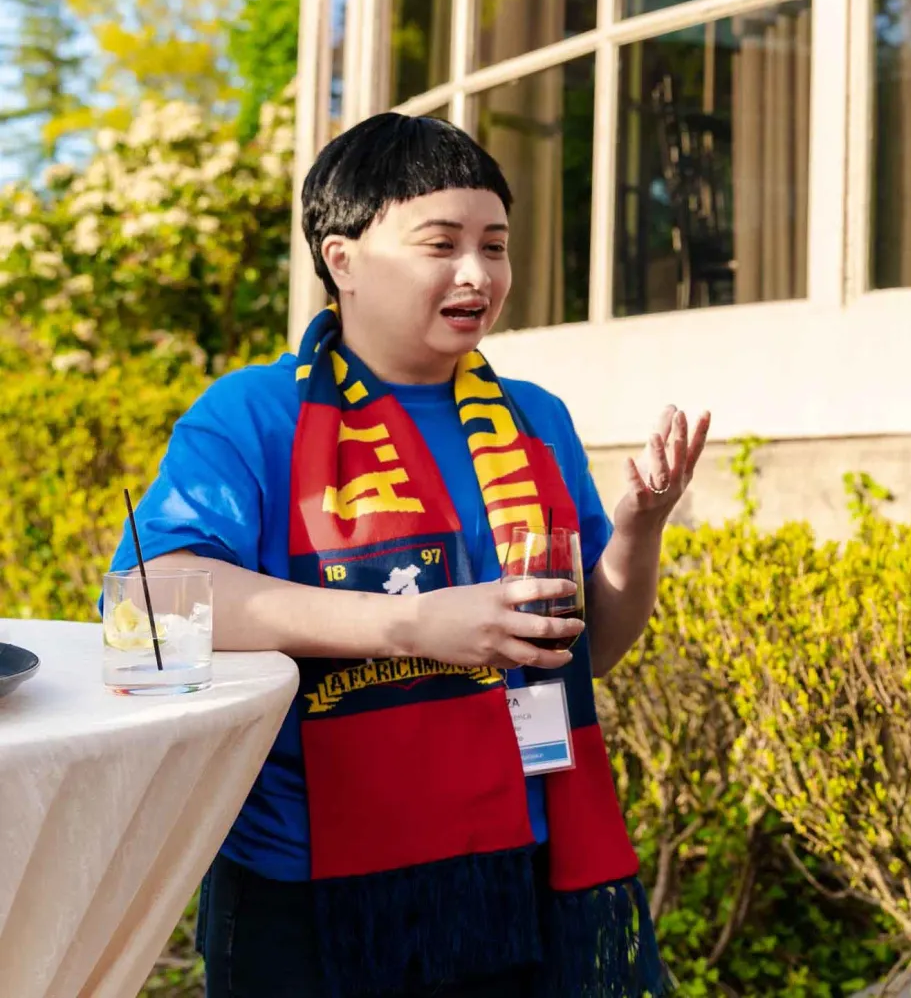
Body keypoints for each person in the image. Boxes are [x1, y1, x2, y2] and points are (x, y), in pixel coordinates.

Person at [114, 113, 709, 998]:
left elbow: (593, 648)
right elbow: (149, 602)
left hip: (519, 862)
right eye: (441, 243)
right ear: (342, 257)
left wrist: (639, 528)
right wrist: (410, 622)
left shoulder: (534, 418)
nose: (478, 273)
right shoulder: (254, 414)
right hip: (307, 885)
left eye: (495, 245)